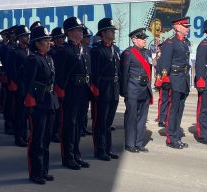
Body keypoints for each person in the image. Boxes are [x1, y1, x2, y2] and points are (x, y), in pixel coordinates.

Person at [23, 26, 59, 184]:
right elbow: (27, 83)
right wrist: (29, 101)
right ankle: (35, 172)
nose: (49, 43)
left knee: (46, 139)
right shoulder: (33, 59)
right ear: (37, 43)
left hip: (49, 101)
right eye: (45, 40)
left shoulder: (49, 58)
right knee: (36, 139)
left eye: (49, 40)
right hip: (38, 103)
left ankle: (44, 170)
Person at [53, 16, 88, 170]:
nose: (81, 32)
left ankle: (76, 154)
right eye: (78, 29)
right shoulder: (63, 50)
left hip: (82, 91)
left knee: (79, 124)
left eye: (81, 29)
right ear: (69, 32)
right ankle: (68, 157)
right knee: (69, 125)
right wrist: (60, 91)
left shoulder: (84, 49)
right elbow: (59, 74)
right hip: (70, 91)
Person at [157, 16, 192, 149]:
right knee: (173, 110)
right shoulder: (170, 43)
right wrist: (165, 80)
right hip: (175, 79)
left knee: (180, 110)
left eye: (187, 26)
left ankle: (176, 134)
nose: (187, 28)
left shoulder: (185, 42)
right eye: (185, 26)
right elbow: (165, 63)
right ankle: (171, 138)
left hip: (183, 79)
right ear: (177, 27)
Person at [90, 17, 121, 160]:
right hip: (103, 88)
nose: (113, 33)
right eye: (110, 30)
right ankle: (100, 150)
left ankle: (108, 149)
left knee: (108, 123)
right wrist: (95, 88)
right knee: (100, 122)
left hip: (113, 88)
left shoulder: (115, 49)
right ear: (103, 33)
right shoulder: (97, 50)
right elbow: (94, 72)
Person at [120, 28, 153, 152]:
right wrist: (124, 91)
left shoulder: (147, 52)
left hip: (145, 89)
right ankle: (130, 144)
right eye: (142, 38)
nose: (144, 40)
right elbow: (124, 73)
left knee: (142, 118)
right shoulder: (128, 53)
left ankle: (139, 143)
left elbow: (150, 70)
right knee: (132, 117)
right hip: (132, 88)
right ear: (134, 40)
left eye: (145, 38)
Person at [8, 25, 30, 147]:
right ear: (20, 37)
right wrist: (14, 83)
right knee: (19, 113)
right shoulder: (14, 52)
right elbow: (11, 69)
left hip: (28, 86)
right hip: (20, 85)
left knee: (26, 113)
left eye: (27, 35)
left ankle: (25, 135)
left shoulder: (29, 50)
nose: (27, 37)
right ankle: (19, 137)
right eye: (25, 36)